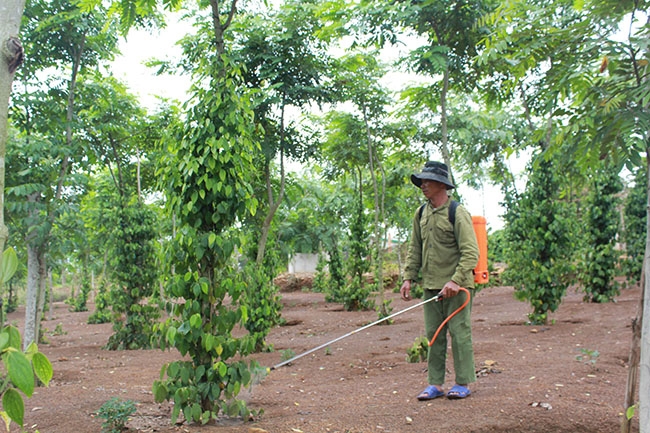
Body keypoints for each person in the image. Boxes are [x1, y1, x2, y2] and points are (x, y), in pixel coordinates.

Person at [400, 161, 479, 400]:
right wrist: (408, 277)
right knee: (434, 334)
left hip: (458, 287)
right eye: (421, 181)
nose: (423, 185)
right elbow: (415, 247)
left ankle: (462, 382)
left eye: (427, 181)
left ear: (441, 184)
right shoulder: (421, 213)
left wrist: (455, 281)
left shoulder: (457, 212)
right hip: (431, 285)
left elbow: (471, 252)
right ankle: (435, 383)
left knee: (459, 333)